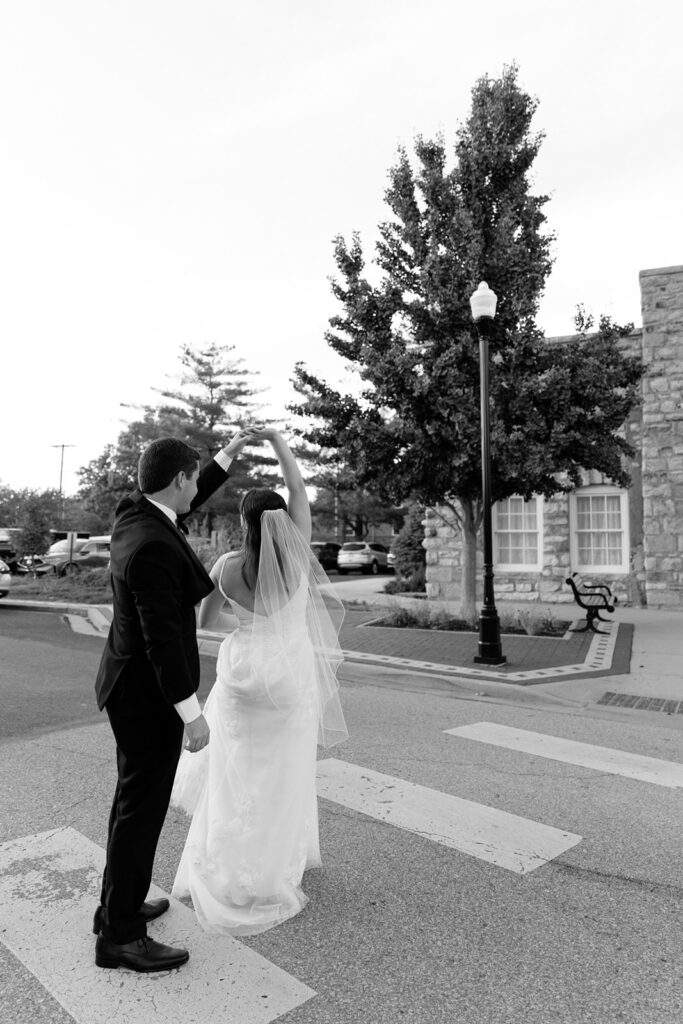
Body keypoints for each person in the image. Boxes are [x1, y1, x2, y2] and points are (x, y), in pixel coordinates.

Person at [170, 428, 348, 935]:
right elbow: (298, 487)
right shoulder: (297, 557)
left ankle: (224, 863)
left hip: (242, 676)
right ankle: (274, 867)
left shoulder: (227, 566)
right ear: (283, 521)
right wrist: (275, 440)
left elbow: (207, 621)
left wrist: (248, 623)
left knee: (234, 773)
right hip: (288, 679)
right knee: (284, 773)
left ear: (244, 522)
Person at [93, 428, 258, 973]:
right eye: (192, 480)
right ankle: (120, 937)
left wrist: (227, 454)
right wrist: (192, 714)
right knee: (141, 813)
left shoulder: (136, 513)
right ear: (178, 480)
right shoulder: (153, 547)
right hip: (148, 699)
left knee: (130, 804)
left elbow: (185, 495)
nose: (195, 491)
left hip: (127, 687)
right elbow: (161, 639)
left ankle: (117, 904)